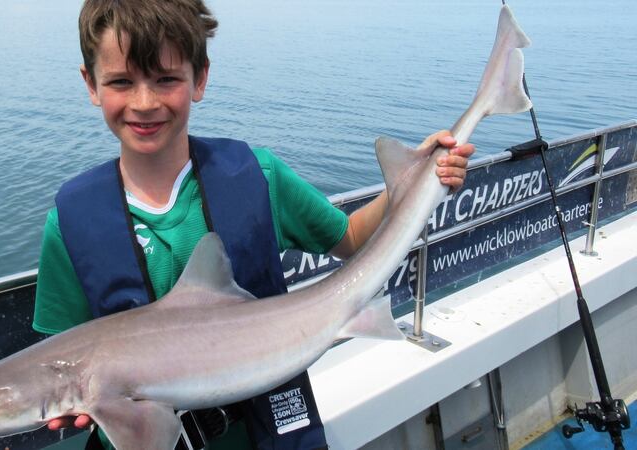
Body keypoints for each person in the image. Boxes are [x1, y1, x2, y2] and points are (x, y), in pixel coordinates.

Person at [32, 0, 474, 449]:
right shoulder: (69, 225)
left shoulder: (257, 176)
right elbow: (62, 359)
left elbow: (352, 239)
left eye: (166, 79)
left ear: (200, 77)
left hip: (259, 434)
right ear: (90, 83)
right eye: (122, 82)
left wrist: (414, 183)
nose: (144, 103)